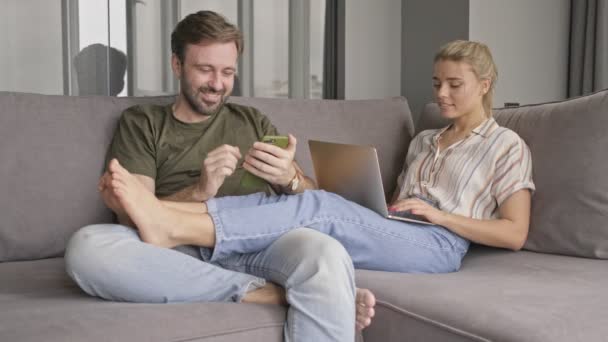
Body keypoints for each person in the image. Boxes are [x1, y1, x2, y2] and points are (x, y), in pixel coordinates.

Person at [100, 40, 535, 279]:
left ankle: (165, 223)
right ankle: (157, 213)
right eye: (437, 82)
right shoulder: (423, 140)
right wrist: (373, 202)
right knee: (283, 204)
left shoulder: (505, 145)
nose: (440, 94)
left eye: (454, 84)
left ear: (485, 84)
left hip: (441, 245)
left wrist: (441, 219)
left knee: (320, 208)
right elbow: (396, 207)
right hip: (397, 228)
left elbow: (514, 233)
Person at [64, 11, 375, 342]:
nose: (217, 83)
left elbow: (311, 197)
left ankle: (310, 289)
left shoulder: (251, 120)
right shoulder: (143, 123)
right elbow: (134, 215)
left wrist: (289, 179)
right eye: (205, 69)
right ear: (177, 64)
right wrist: (199, 190)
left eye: (227, 72)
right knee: (88, 247)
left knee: (326, 253)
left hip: (260, 243)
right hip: (179, 249)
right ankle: (265, 292)